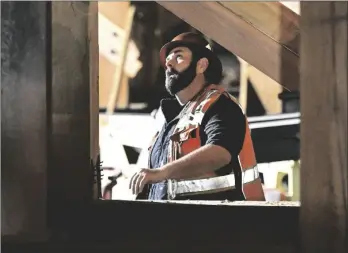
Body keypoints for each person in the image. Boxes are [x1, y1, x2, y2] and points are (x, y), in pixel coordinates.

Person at [129, 32, 265, 201]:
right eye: (168, 60)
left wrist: (161, 173)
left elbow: (220, 153)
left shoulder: (221, 106)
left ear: (201, 65)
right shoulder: (170, 120)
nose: (169, 63)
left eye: (178, 56)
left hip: (224, 222)